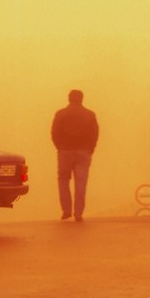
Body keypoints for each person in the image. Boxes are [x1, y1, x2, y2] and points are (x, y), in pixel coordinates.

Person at [50, 89, 99, 222]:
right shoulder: (90, 115)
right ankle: (78, 213)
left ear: (69, 99)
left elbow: (54, 132)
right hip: (83, 152)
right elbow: (95, 133)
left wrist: (59, 147)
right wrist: (90, 148)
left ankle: (66, 210)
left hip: (65, 151)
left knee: (63, 179)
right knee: (81, 182)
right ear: (82, 99)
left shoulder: (61, 114)